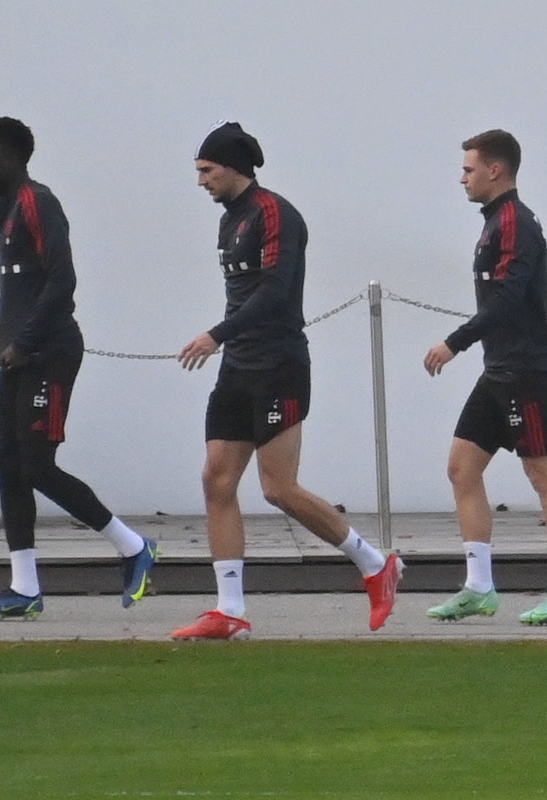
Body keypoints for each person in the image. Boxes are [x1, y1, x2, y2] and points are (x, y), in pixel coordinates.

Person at [171, 121, 403, 640]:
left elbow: (275, 294)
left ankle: (374, 564)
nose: (201, 181)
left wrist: (215, 334)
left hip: (278, 366)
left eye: (207, 170)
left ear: (234, 167)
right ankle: (229, 611)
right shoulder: (228, 221)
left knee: (277, 487)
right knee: (216, 479)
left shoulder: (275, 213)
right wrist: (225, 342)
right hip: (238, 367)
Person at [0, 116, 157, 620]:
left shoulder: (36, 201)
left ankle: (134, 546)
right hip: (21, 352)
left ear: (12, 160)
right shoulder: (4, 207)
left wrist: (25, 342)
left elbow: (61, 281)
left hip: (50, 354)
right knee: (7, 464)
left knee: (36, 465)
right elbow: (19, 286)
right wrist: (0, 336)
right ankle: (24, 587)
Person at [423, 129, 547, 625]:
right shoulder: (494, 221)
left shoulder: (515, 221)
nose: (462, 178)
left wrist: (455, 342)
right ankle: (478, 587)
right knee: (461, 467)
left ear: (496, 170)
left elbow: (511, 296)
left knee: (545, 476)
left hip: (525, 373)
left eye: (469, 169)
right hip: (500, 372)